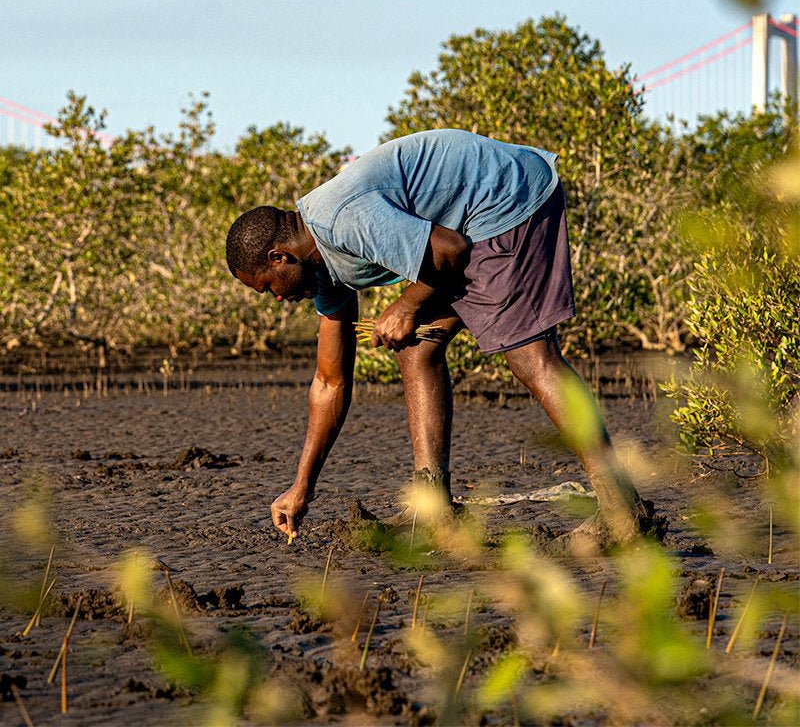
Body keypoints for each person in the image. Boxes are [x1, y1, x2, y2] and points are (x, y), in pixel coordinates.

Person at [226, 129, 660, 550]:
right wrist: (301, 487)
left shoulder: (343, 220)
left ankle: (621, 509)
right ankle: (432, 512)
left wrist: (406, 306)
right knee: (417, 349)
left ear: (279, 258)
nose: (277, 298)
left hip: (507, 201)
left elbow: (450, 251)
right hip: (469, 226)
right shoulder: (318, 269)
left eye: (268, 287)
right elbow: (330, 382)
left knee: (531, 357)